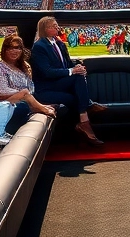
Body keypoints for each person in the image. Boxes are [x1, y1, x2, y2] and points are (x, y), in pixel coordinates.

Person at [30, 15, 107, 145]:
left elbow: (67, 63)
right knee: (77, 80)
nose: (57, 27)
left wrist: (77, 67)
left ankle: (82, 125)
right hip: (46, 87)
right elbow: (47, 72)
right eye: (53, 26)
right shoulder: (39, 47)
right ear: (45, 29)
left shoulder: (60, 43)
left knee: (74, 93)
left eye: (56, 25)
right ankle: (86, 112)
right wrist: (72, 71)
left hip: (59, 83)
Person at [0, 34, 61, 130]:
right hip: (3, 103)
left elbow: (31, 87)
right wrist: (22, 93)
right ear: (4, 50)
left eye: (18, 48)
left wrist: (25, 94)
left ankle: (36, 106)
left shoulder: (24, 66)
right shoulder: (0, 66)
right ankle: (42, 108)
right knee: (25, 94)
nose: (14, 51)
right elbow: (1, 91)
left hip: (24, 100)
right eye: (10, 48)